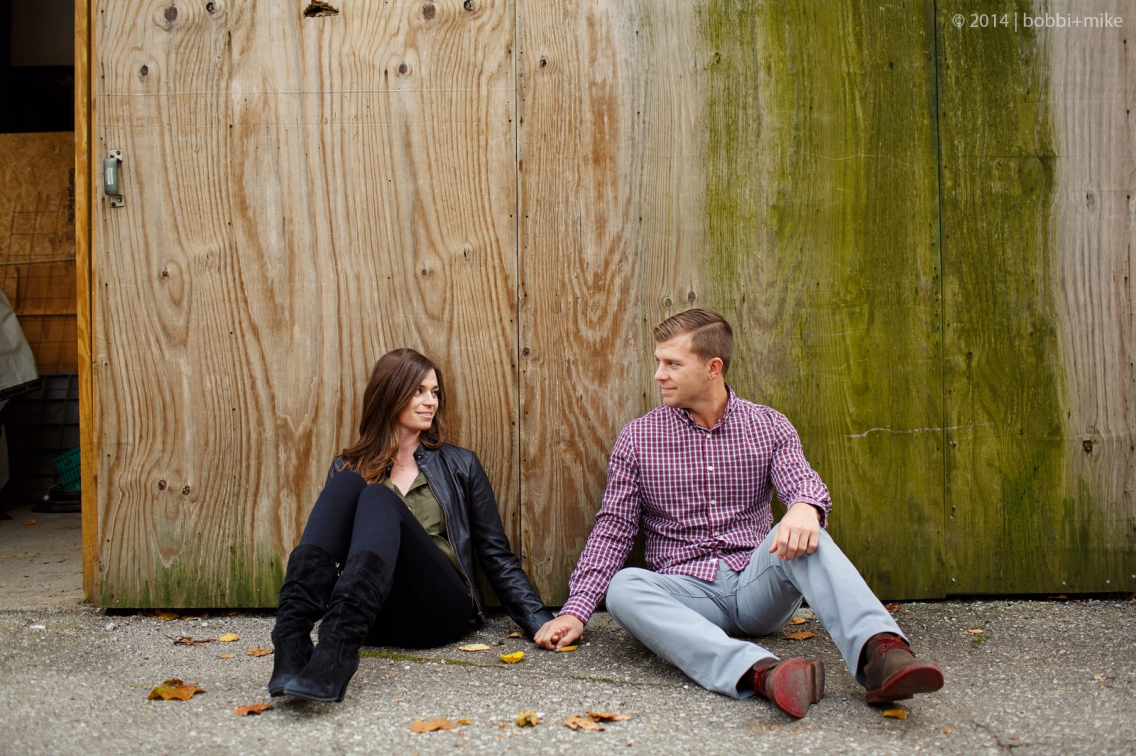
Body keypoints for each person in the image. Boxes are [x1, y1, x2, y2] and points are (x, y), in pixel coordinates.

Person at [534, 309, 943, 718]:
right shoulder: (638, 438)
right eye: (659, 362)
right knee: (624, 587)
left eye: (673, 363)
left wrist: (804, 507)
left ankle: (882, 655)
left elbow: (802, 482)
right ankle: (763, 673)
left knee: (808, 529)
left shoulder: (769, 426)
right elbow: (614, 529)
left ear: (713, 368)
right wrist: (576, 610)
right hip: (686, 594)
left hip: (756, 584)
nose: (659, 374)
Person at [270, 348, 553, 702]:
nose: (431, 401)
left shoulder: (460, 465)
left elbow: (496, 555)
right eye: (418, 391)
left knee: (378, 497)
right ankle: (292, 645)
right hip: (373, 616)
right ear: (391, 393)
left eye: (434, 392)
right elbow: (328, 555)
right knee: (347, 482)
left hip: (439, 610)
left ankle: (332, 656)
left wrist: (539, 620)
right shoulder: (347, 466)